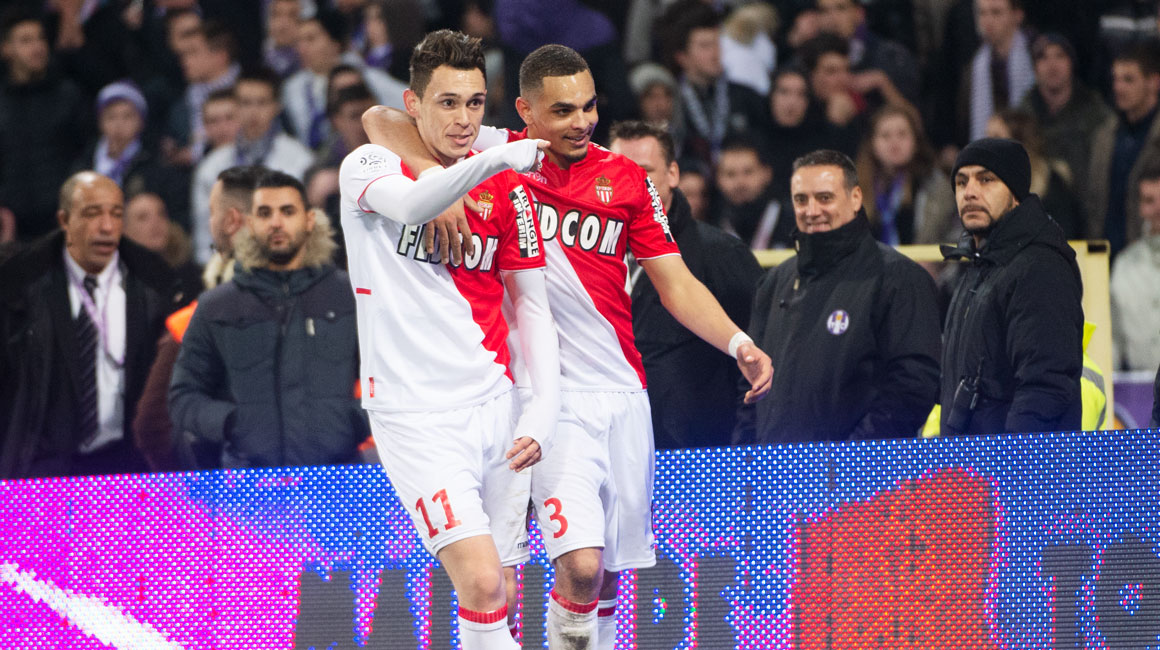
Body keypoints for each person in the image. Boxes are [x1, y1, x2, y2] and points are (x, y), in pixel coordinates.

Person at [362, 42, 772, 650]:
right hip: (543, 395)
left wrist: (737, 342)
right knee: (577, 565)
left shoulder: (626, 179)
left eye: (589, 107)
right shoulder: (495, 151)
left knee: (604, 575)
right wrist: (434, 179)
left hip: (622, 389)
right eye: (563, 111)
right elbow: (380, 119)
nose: (581, 122)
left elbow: (676, 283)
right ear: (525, 112)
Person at [340, 30, 560, 649]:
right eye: (447, 102)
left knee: (501, 589)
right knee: (483, 582)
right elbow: (412, 205)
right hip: (414, 415)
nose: (464, 119)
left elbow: (531, 305)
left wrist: (542, 409)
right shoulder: (368, 165)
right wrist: (484, 165)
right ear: (414, 103)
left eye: (474, 102)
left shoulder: (506, 187)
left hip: (496, 403)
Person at [734, 149, 941, 444]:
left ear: (855, 198)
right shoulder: (774, 282)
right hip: (775, 469)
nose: (811, 210)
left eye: (825, 198)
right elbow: (749, 384)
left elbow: (912, 385)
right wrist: (748, 460)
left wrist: (849, 460)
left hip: (862, 470)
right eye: (801, 200)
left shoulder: (899, 278)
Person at [169, 170, 368, 468]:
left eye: (287, 211)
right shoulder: (217, 306)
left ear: (309, 220)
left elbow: (395, 378)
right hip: (248, 483)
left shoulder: (349, 295)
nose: (276, 222)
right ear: (250, 223)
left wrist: (351, 423)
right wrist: (232, 424)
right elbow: (184, 396)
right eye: (265, 213)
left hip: (339, 478)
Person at [0, 171, 180, 478]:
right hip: (43, 473)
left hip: (128, 470)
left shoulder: (152, 292)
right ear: (65, 221)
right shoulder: (27, 291)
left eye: (115, 214)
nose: (106, 226)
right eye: (92, 214)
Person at [610, 121, 763, 449]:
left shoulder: (722, 255)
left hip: (699, 455)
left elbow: (755, 362)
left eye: (644, 171)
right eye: (619, 172)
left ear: (673, 174)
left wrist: (743, 450)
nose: (630, 183)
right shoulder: (587, 255)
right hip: (612, 448)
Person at [940, 138, 1083, 435]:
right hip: (973, 462)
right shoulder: (979, 266)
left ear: (1015, 193)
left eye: (986, 180)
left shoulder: (1040, 267)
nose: (970, 192)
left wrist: (1015, 460)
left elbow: (1045, 386)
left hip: (1016, 461)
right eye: (961, 182)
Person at [134, 165, 263, 472]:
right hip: (316, 487)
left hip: (233, 490)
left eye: (212, 212)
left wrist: (195, 490)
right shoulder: (322, 298)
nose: (209, 222)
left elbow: (151, 425)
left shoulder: (198, 317)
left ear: (231, 220)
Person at [191, 68, 315, 264]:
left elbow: (307, 230)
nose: (253, 112)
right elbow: (204, 240)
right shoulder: (211, 167)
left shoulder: (300, 159)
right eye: (245, 103)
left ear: (276, 106)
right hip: (228, 269)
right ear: (236, 107)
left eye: (262, 102)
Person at [0, 9, 88, 242]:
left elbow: (86, 151)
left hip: (62, 222)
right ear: (6, 49)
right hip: (12, 228)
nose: (37, 47)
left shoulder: (68, 95)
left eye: (40, 38)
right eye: (26, 40)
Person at [660, 1, 770, 168]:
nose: (715, 53)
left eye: (717, 43)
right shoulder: (670, 102)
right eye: (705, 46)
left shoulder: (747, 97)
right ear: (682, 57)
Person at [1018, 32, 1114, 219]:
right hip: (1037, 213)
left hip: (1086, 212)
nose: (1052, 65)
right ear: (1034, 66)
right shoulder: (1023, 115)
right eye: (1043, 57)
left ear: (1072, 63)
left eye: (1060, 56)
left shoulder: (1096, 113)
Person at [281, 10, 405, 149]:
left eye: (311, 39)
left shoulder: (365, 77)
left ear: (335, 42)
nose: (302, 48)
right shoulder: (292, 87)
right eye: (298, 42)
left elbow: (406, 102)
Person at [1087, 44, 1160, 257]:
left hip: (1149, 258)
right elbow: (1092, 202)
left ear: (1154, 82)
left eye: (1128, 79)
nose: (1118, 87)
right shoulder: (1104, 136)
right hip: (1103, 254)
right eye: (1116, 79)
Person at [854, 104, 957, 245]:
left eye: (902, 134)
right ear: (872, 144)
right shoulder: (856, 188)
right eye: (885, 136)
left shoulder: (937, 186)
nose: (894, 143)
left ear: (916, 141)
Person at [984, 108, 1084, 239]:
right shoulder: (985, 186)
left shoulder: (1053, 186)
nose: (986, 145)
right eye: (986, 137)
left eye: (996, 137)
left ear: (1020, 143)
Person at [961, 0, 1033, 143]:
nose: (988, 21)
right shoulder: (974, 65)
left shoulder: (1037, 56)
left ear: (1017, 15)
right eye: (982, 13)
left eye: (996, 12)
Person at [1111, 165, 1160, 371]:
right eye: (1149, 200)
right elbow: (1113, 341)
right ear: (1139, 208)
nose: (1158, 209)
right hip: (1139, 386)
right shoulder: (1124, 267)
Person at [712, 136, 795, 249]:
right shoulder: (710, 225)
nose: (740, 182)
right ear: (718, 179)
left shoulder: (793, 221)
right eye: (730, 174)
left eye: (748, 172)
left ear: (767, 173)